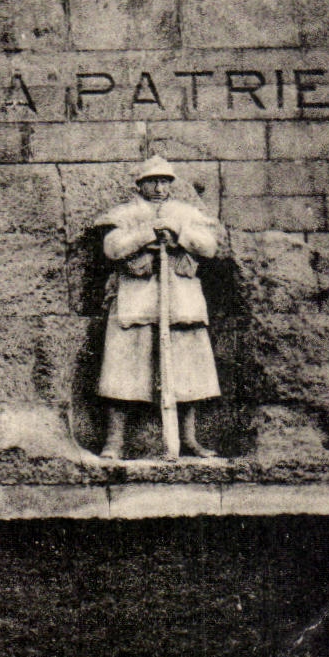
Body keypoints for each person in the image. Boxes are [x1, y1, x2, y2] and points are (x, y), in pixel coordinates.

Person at [93, 156, 221, 460]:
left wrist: (178, 233)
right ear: (140, 184)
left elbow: (209, 247)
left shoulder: (186, 213)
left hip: (181, 303)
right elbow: (113, 248)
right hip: (136, 302)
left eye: (165, 181)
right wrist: (148, 233)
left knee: (188, 372)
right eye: (153, 182)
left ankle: (188, 438)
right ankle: (114, 441)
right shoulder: (124, 213)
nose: (160, 188)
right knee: (122, 371)